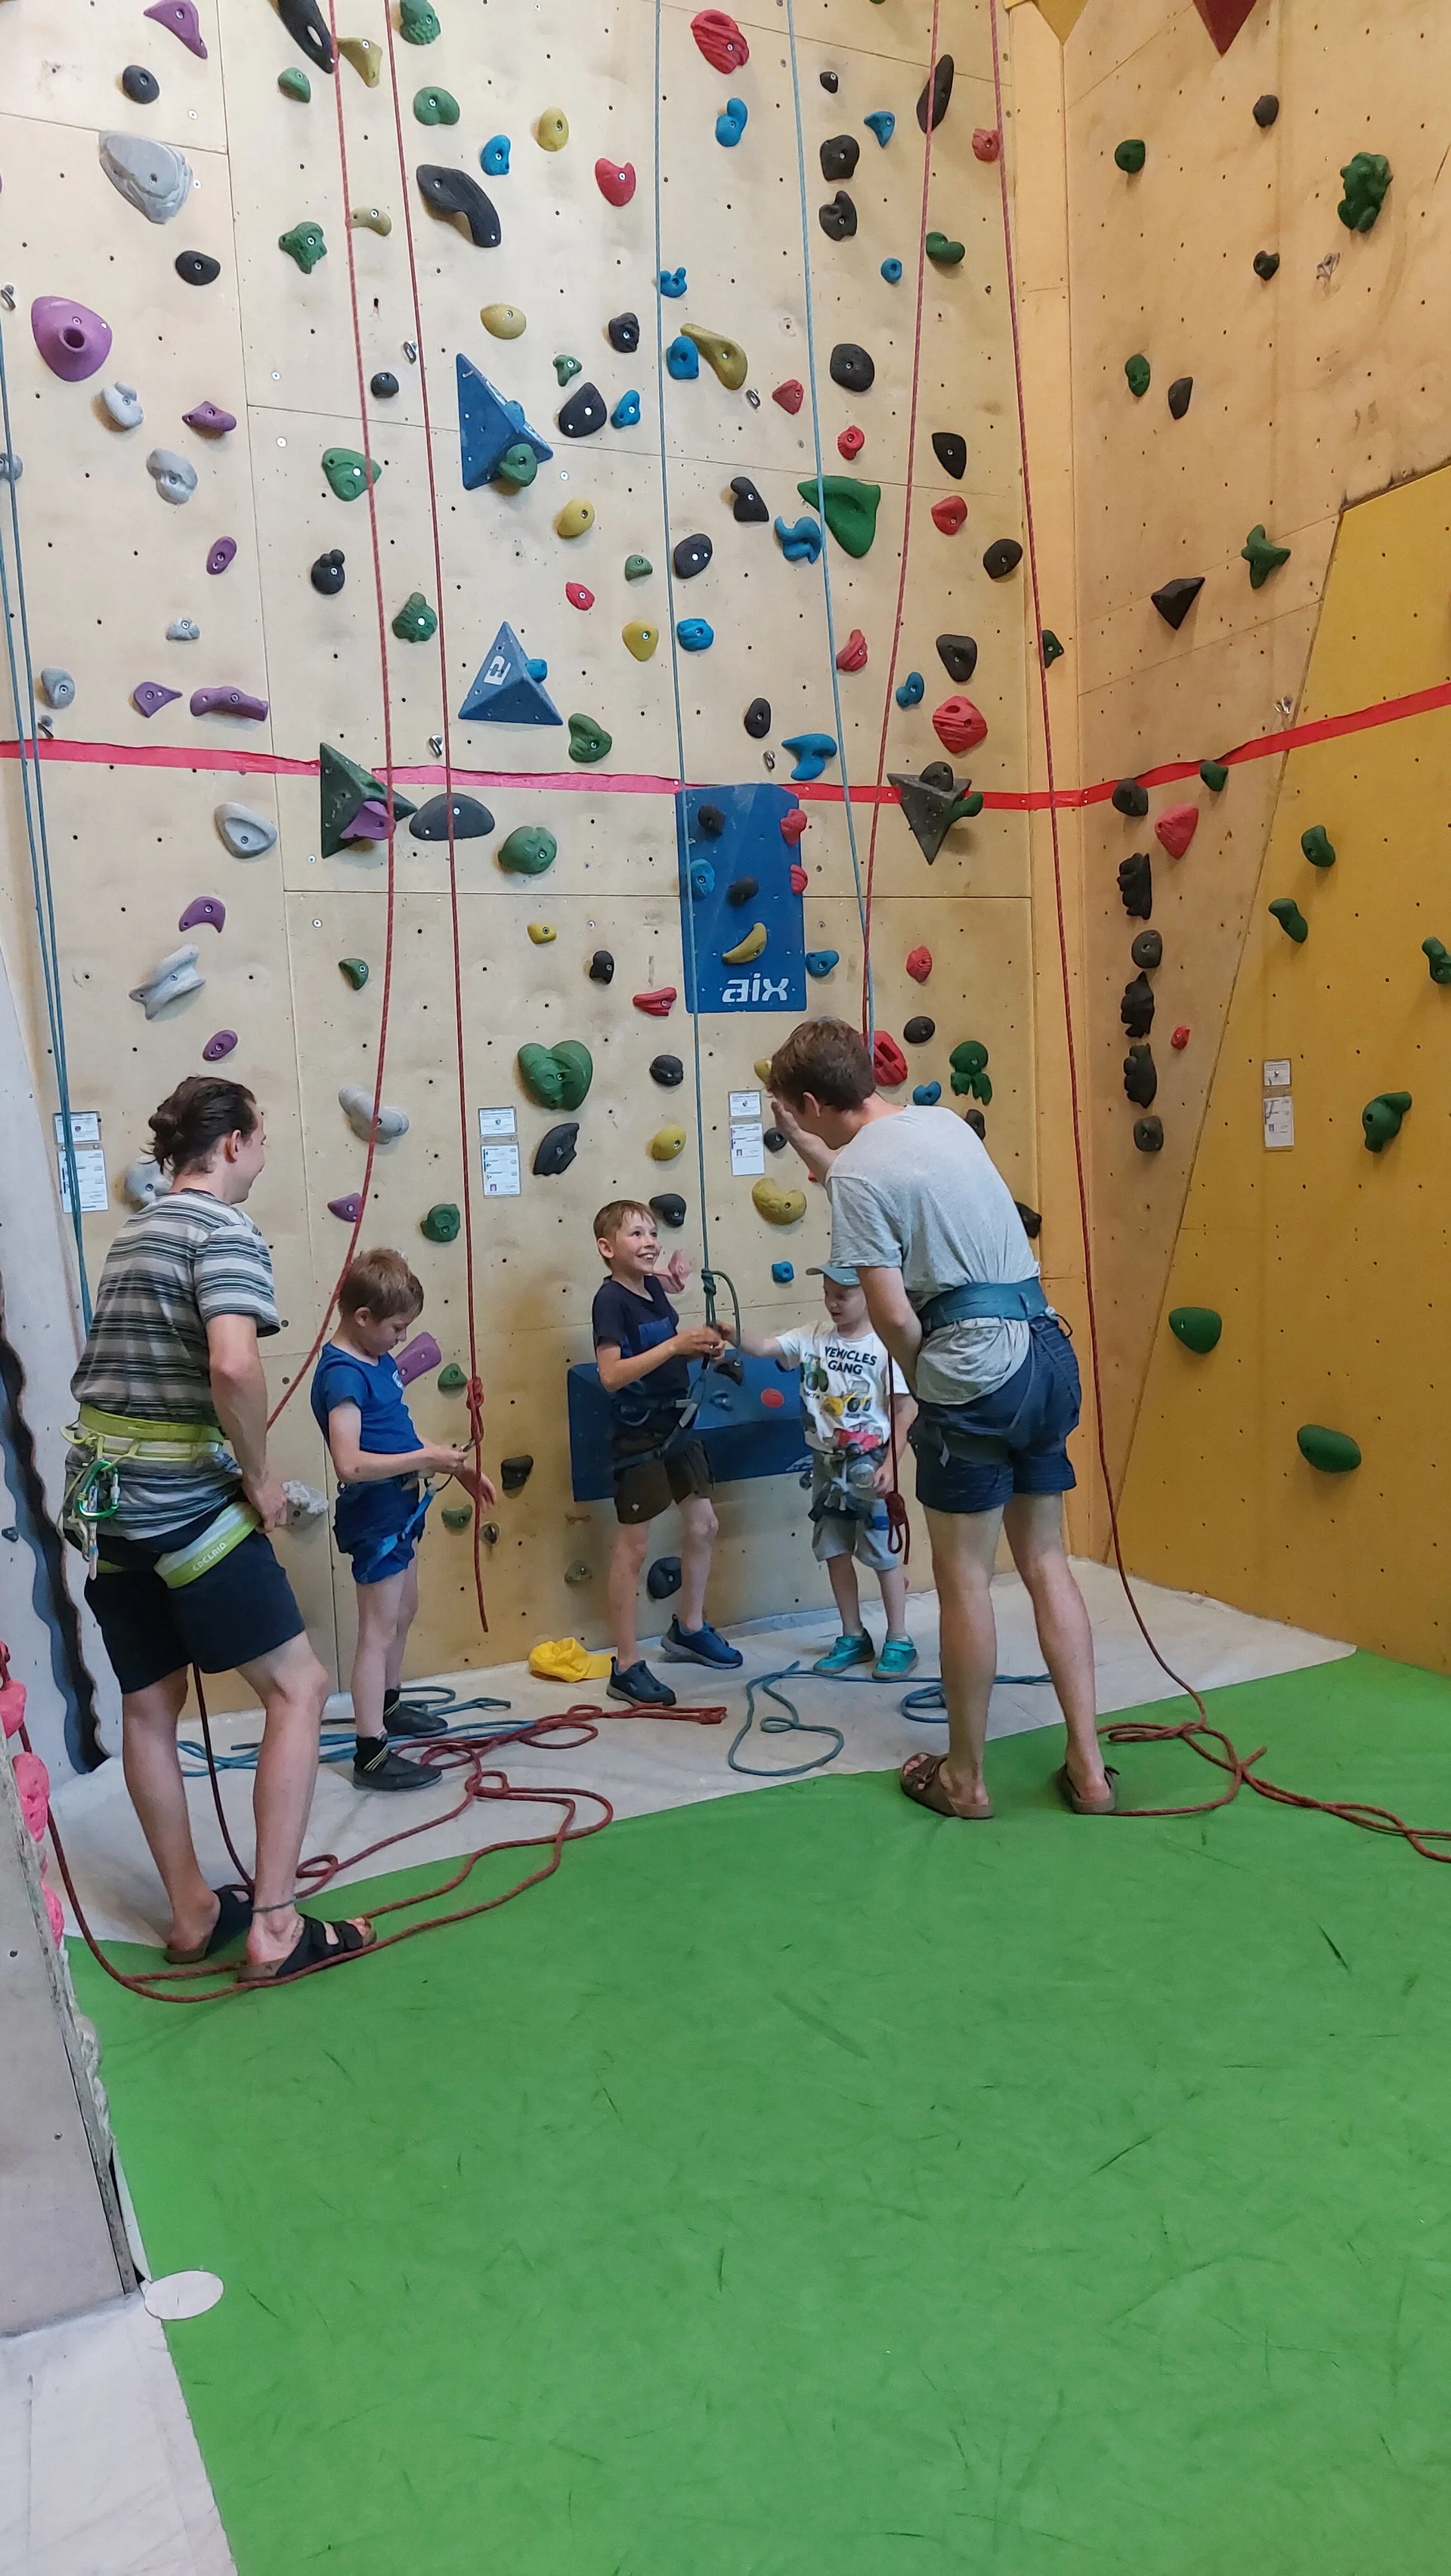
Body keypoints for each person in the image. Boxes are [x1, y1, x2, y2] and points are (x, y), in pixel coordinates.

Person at [766, 1019, 1115, 1821]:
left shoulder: (857, 1177)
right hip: (1046, 1351)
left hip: (973, 1369)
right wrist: (803, 1145)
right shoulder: (940, 1124)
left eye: (798, 1113)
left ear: (814, 1101)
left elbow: (889, 1311)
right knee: (1046, 1560)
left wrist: (927, 1380)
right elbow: (869, 1179)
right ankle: (1090, 1768)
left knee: (964, 1581)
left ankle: (965, 1776)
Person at [64, 1077, 371, 1982]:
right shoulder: (223, 1231)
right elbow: (233, 1365)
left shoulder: (135, 1232)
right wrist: (260, 1477)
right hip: (182, 1503)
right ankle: (275, 1925)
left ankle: (195, 1910)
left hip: (106, 1501)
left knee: (149, 1706)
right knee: (300, 1688)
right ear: (234, 1142)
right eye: (263, 1135)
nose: (265, 1150)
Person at [310, 1248, 496, 1792]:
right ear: (362, 1317)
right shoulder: (343, 1375)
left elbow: (398, 1431)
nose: (400, 1337)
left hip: (401, 1499)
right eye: (395, 1326)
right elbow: (350, 1463)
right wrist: (426, 1460)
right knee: (377, 1629)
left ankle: (388, 1704)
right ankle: (369, 1751)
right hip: (376, 1507)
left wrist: (453, 1468)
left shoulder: (378, 1361)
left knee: (404, 1609)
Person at [590, 1200, 744, 1707]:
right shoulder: (610, 1301)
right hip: (638, 1434)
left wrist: (703, 1347)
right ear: (607, 1248)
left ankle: (689, 1628)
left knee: (703, 1524)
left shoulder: (652, 1286)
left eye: (652, 1232)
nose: (650, 1240)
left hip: (677, 1423)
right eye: (636, 1234)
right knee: (633, 1548)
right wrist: (677, 1346)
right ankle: (627, 1663)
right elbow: (611, 1375)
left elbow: (667, 1324)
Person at [732, 1263, 917, 1679]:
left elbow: (905, 1409)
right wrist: (732, 1334)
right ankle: (853, 1635)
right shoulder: (812, 1336)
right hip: (826, 1462)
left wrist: (892, 1462)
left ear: (869, 1294)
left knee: (883, 1552)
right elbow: (764, 1347)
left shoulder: (885, 1347)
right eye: (828, 1292)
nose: (833, 1302)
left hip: (869, 1462)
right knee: (834, 1549)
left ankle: (899, 1638)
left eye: (844, 1295)